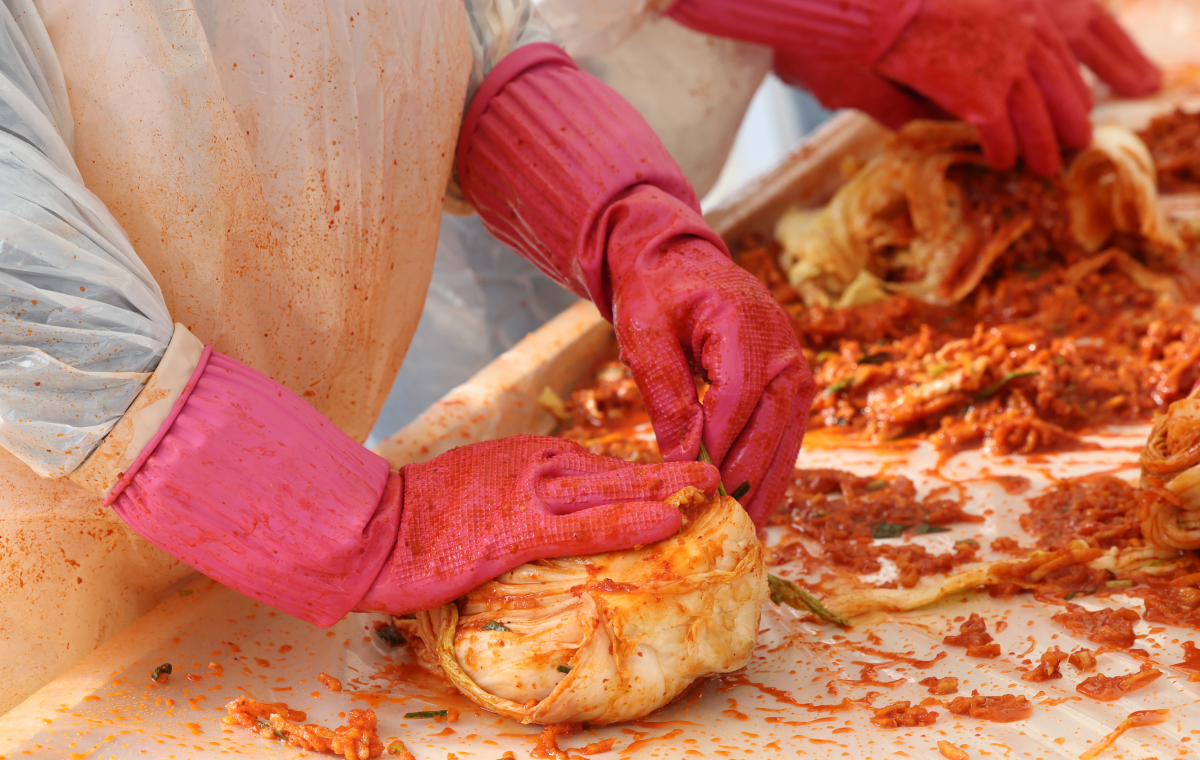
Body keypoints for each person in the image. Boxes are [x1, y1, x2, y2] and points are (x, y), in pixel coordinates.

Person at [0, 0, 1159, 711]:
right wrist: (368, 523)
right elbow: (34, 315)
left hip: (256, 547)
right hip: (36, 593)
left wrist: (633, 224)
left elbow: (462, 36)